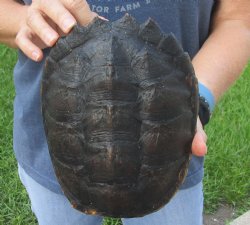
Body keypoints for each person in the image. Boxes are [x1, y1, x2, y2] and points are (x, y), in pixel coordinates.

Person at [0, 0, 249, 224]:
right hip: (53, 150)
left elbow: (237, 18)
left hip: (169, 145)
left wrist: (197, 102)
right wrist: (23, 20)